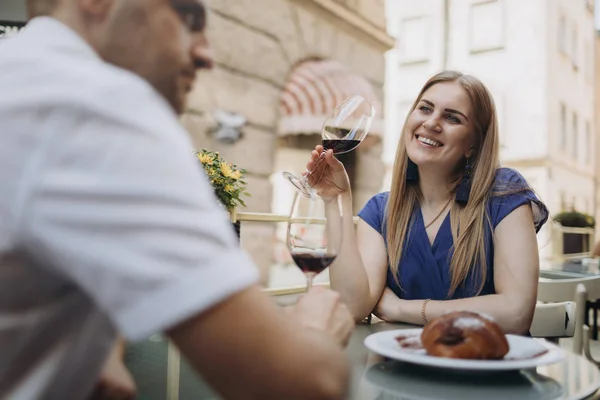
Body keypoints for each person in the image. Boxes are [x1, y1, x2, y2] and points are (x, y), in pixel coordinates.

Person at [0, 0, 355, 399]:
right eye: (189, 17)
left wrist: (100, 346)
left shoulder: (21, 73)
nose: (207, 55)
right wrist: (314, 329)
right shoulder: (99, 103)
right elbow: (307, 385)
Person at [305, 70, 549, 335]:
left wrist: (402, 309)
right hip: (400, 370)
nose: (432, 123)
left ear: (473, 145)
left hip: (487, 371)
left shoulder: (504, 194)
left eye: (452, 117)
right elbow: (353, 306)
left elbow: (516, 313)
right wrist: (336, 200)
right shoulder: (380, 212)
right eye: (425, 108)